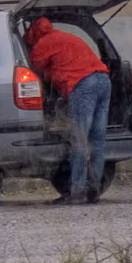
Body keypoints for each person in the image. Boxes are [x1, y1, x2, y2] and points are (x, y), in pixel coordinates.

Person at [24, 17, 112, 205]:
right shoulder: (65, 37)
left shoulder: (42, 44)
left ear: (33, 33)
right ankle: (94, 188)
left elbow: (34, 70)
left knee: (78, 139)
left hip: (84, 85)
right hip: (104, 82)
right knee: (97, 139)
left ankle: (77, 191)